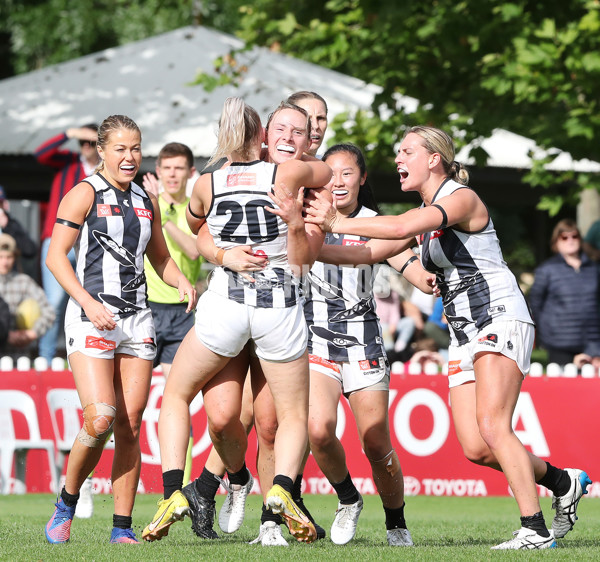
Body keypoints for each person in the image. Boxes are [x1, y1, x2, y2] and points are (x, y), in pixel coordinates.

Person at [305, 125, 592, 550]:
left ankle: (534, 529)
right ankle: (562, 481)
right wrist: (301, 243)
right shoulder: (423, 217)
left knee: (494, 425)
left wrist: (336, 219)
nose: (398, 160)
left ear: (434, 159)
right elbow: (364, 252)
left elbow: (398, 224)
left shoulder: (459, 197)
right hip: (464, 335)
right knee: (476, 447)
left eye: (406, 152)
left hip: (497, 315)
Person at [142, 97, 332, 544]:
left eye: (299, 131)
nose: (289, 138)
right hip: (275, 305)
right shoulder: (289, 175)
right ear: (262, 133)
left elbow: (193, 222)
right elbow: (322, 172)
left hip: (228, 303)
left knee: (177, 396)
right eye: (280, 129)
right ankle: (275, 489)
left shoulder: (208, 180)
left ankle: (175, 490)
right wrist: (308, 169)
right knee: (276, 417)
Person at [43, 114, 197, 545]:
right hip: (92, 315)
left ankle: (121, 529)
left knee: (129, 425)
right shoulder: (83, 193)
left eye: (136, 149)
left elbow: (161, 257)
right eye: (121, 149)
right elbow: (57, 257)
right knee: (101, 418)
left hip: (136, 321)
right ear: (103, 150)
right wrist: (88, 303)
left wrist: (181, 280)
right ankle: (66, 503)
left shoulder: (146, 199)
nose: (130, 157)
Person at [303, 143, 437, 546]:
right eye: (331, 174)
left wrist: (428, 278)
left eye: (347, 173)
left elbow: (409, 264)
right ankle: (348, 499)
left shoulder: (376, 222)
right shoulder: (305, 219)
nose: (338, 181)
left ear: (362, 178)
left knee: (376, 441)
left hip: (363, 345)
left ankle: (396, 523)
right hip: (316, 342)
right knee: (318, 429)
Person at [35, 124, 101, 363]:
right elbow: (40, 154)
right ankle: (46, 358)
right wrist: (69, 134)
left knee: (91, 299)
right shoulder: (68, 162)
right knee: (54, 302)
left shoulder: (106, 170)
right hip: (58, 239)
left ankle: (86, 357)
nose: (86, 147)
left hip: (89, 242)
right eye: (83, 142)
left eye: (92, 142)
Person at [528, 219, 600, 368]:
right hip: (560, 343)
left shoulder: (594, 270)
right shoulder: (546, 270)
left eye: (575, 236)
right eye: (565, 237)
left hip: (592, 343)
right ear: (556, 241)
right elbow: (535, 305)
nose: (570, 241)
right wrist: (546, 336)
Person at [0, 233, 54, 358]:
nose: (5, 262)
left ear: (15, 257)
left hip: (21, 354)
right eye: (1, 257)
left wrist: (32, 333)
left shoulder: (24, 282)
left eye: (9, 257)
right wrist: (5, 335)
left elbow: (49, 312)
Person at [0, 185, 37, 265]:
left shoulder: (11, 224)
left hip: (8, 274)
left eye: (0, 203)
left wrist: (7, 228)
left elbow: (30, 250)